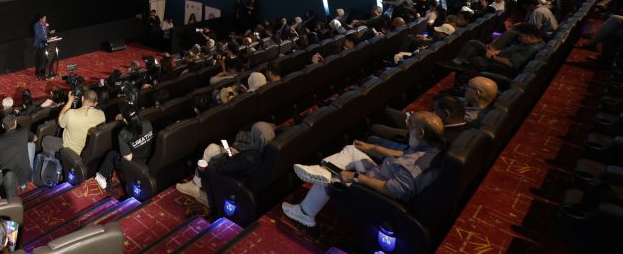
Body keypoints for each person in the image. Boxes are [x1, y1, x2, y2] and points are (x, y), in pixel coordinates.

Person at [282, 111, 445, 228]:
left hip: (373, 189)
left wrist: (356, 177)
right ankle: (323, 170)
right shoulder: (431, 149)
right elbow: (404, 154)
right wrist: (373, 148)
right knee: (351, 150)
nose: (407, 128)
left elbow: (391, 191)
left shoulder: (414, 169)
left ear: (420, 132)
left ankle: (305, 213)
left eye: (410, 124)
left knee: (333, 178)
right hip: (381, 172)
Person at [176, 122, 276, 205]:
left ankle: (200, 188)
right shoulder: (261, 148)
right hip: (237, 165)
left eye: (253, 132)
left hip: (231, 177)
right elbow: (240, 161)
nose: (251, 134)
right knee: (213, 148)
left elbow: (221, 167)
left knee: (211, 151)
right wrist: (232, 152)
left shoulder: (251, 157)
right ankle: (196, 184)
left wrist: (222, 156)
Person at [449, 22, 544, 77]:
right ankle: (460, 63)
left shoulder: (530, 49)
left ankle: (460, 66)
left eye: (521, 36)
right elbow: (512, 50)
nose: (519, 39)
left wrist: (493, 56)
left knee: (475, 58)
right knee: (473, 43)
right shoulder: (532, 42)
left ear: (531, 37)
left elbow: (511, 63)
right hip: (498, 54)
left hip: (501, 65)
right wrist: (497, 52)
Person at [94, 104, 153, 190]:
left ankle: (101, 177)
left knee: (112, 154)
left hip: (134, 164)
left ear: (125, 120)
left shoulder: (124, 133)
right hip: (146, 158)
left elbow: (128, 158)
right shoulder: (147, 123)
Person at [42, 89, 106, 156]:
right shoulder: (101, 114)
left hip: (71, 151)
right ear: (95, 103)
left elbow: (60, 122)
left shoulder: (71, 114)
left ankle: (54, 161)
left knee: (46, 140)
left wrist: (69, 101)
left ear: (82, 98)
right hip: (88, 151)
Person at [0, 114, 35, 192]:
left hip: (9, 181)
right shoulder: (23, 131)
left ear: (2, 126)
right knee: (31, 144)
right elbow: (35, 138)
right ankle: (23, 185)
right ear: (15, 122)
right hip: (26, 177)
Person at [33, 14, 54, 80]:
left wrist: (50, 32)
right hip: (39, 45)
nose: (45, 19)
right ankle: (39, 74)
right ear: (40, 19)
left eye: (45, 18)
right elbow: (38, 35)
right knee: (40, 61)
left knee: (46, 60)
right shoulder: (36, 25)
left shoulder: (46, 24)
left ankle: (45, 73)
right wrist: (45, 39)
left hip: (46, 44)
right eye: (44, 18)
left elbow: (47, 32)